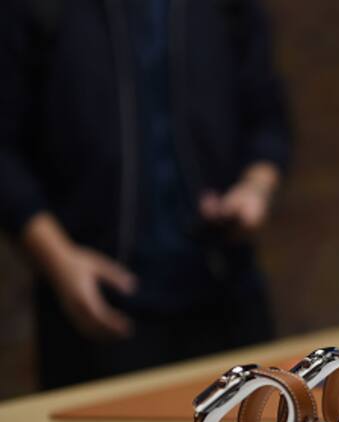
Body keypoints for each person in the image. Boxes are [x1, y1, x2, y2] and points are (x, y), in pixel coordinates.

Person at [0, 0, 291, 389]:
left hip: (224, 289)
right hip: (100, 307)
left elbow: (268, 116)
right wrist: (59, 259)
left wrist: (254, 189)